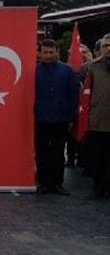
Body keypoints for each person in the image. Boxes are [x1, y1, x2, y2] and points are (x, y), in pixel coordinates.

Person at [34, 39, 78, 195]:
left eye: (51, 52)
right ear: (39, 53)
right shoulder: (34, 71)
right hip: (40, 119)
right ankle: (43, 182)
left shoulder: (67, 71)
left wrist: (72, 118)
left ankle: (58, 183)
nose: (48, 55)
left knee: (58, 152)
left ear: (57, 52)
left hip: (61, 119)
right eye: (45, 52)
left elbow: (74, 95)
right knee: (41, 152)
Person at [86, 34, 110, 199]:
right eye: (106, 45)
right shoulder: (91, 67)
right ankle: (98, 188)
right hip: (97, 120)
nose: (109, 49)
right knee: (98, 158)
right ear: (100, 49)